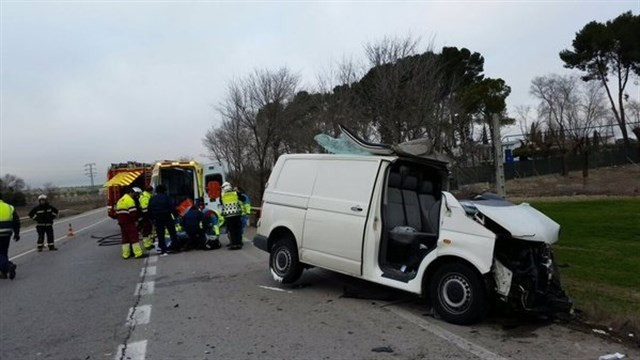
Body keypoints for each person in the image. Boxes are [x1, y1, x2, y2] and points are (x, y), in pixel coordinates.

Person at [148, 184, 178, 256]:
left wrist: (152, 219)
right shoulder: (166, 197)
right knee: (172, 231)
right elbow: (172, 207)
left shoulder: (152, 198)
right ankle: (175, 246)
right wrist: (175, 216)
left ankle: (163, 249)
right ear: (164, 190)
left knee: (160, 233)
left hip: (157, 217)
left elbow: (149, 209)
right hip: (167, 216)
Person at [115, 187, 144, 259]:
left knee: (125, 239)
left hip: (122, 222)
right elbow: (133, 213)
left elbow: (117, 213)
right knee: (134, 237)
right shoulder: (130, 200)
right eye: (136, 194)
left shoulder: (120, 200)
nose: (136, 196)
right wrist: (136, 221)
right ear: (132, 192)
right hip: (129, 222)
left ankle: (126, 254)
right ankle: (138, 253)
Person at [0, 193, 20, 279]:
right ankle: (3, 273)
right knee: (3, 252)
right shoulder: (9, 207)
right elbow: (16, 221)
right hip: (7, 233)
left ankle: (8, 266)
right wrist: (17, 233)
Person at [220, 181, 243, 250]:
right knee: (237, 230)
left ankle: (234, 244)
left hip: (228, 216)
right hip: (237, 214)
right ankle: (239, 243)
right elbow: (243, 199)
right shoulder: (235, 193)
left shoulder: (222, 195)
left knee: (232, 230)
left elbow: (221, 202)